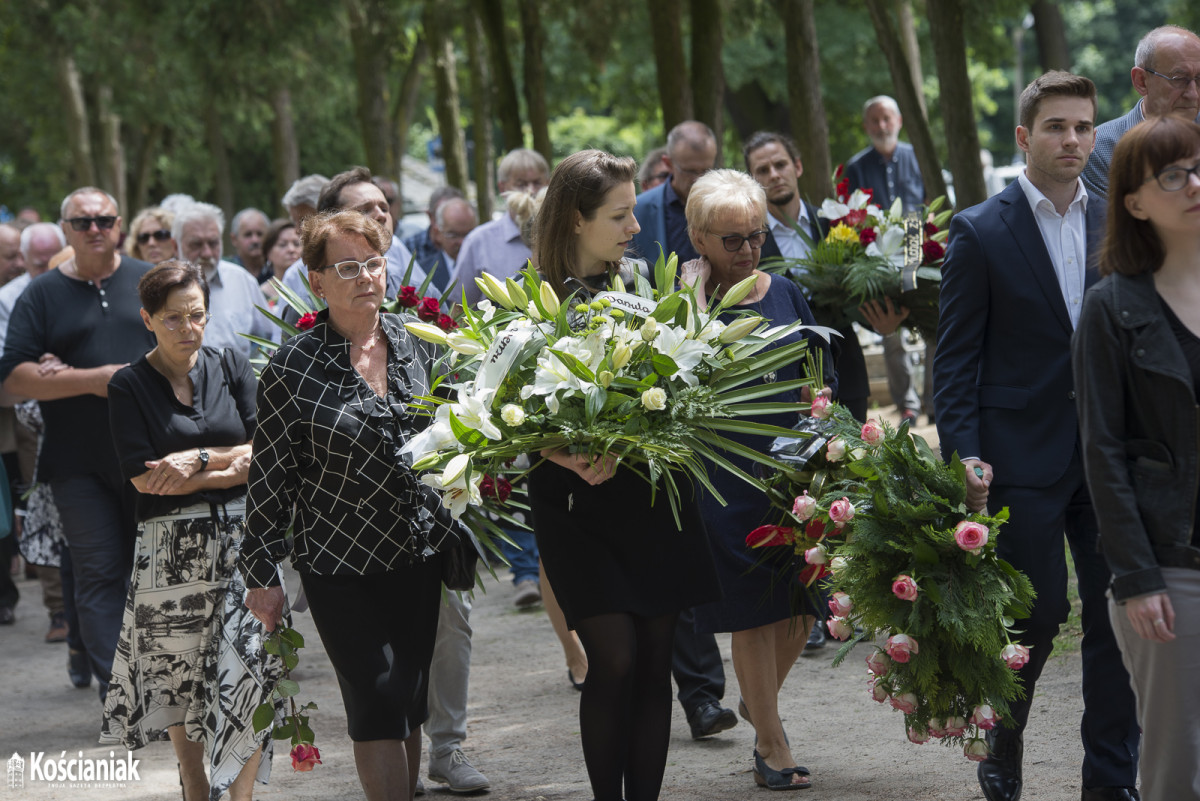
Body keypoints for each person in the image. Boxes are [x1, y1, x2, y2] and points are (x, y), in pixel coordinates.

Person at [933, 71, 1140, 801]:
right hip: (1020, 453)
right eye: (1057, 126)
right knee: (1039, 611)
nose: (1074, 140)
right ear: (1025, 136)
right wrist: (963, 452)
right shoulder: (980, 230)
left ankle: (1110, 779)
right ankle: (1004, 739)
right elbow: (954, 359)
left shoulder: (1117, 220)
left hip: (1111, 451)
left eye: (1084, 126)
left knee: (1119, 616)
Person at [528, 149, 722, 801]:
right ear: (577, 220)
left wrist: (695, 330)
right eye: (621, 214)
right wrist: (557, 451)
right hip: (576, 507)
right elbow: (498, 412)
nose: (636, 226)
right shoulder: (532, 303)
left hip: (651, 497)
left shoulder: (644, 287)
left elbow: (689, 383)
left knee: (653, 664)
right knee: (613, 658)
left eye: (635, 211)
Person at [241, 210, 453, 801]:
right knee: (377, 697)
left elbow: (456, 432)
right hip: (338, 561)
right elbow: (270, 478)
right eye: (347, 267)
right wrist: (261, 574)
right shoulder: (291, 368)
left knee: (409, 700)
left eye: (373, 262)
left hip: (417, 551)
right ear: (316, 281)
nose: (365, 276)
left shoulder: (419, 344)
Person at [100, 260, 281, 801]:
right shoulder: (127, 385)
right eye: (173, 318)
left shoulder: (231, 364)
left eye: (196, 315)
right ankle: (196, 787)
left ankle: (241, 797)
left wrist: (197, 459)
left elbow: (266, 454)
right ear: (147, 320)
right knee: (178, 688)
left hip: (245, 543)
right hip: (169, 557)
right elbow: (148, 482)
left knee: (250, 671)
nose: (187, 328)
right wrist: (228, 469)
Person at [682, 169, 831, 791]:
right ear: (699, 239)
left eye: (757, 236)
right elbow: (673, 379)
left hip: (789, 471)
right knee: (752, 614)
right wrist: (688, 304)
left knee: (802, 605)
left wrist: (821, 409)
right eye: (733, 240)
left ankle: (758, 700)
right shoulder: (682, 300)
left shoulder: (786, 292)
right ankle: (771, 743)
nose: (748, 251)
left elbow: (818, 373)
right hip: (722, 480)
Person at [1073, 115, 1200, 801]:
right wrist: (1137, 576)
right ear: (1135, 202)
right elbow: (1102, 453)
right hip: (1172, 572)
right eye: (1174, 174)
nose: (1195, 183)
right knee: (1177, 771)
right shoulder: (1110, 309)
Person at [0, 186, 156, 700]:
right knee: (99, 574)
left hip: (154, 457)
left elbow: (188, 349)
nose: (94, 229)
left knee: (153, 571)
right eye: (82, 222)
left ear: (120, 225)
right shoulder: (40, 294)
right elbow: (11, 382)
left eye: (104, 220)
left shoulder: (148, 283)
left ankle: (160, 688)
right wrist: (90, 380)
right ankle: (122, 695)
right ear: (64, 229)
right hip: (76, 464)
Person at [844, 95, 929, 426]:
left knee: (932, 326)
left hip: (918, 248)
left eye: (887, 119)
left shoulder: (917, 157)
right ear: (866, 126)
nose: (882, 126)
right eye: (875, 120)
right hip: (877, 255)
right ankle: (906, 405)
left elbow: (930, 204)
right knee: (890, 330)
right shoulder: (857, 166)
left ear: (899, 121)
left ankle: (933, 402)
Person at [279, 166, 420, 322]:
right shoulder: (306, 312)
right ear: (331, 220)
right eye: (365, 210)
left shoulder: (419, 294)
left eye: (384, 208)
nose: (381, 215)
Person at [1083, 25, 1200, 198]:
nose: (1193, 94)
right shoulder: (1101, 150)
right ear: (1141, 81)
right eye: (1179, 79)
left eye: (1199, 79)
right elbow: (1116, 223)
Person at [172, 202, 278, 361]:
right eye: (196, 244)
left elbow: (271, 334)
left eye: (213, 243)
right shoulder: (161, 286)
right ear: (175, 246)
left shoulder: (241, 280)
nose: (206, 253)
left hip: (234, 383)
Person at [449, 148, 549, 308]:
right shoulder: (478, 241)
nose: (531, 191)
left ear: (548, 183)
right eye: (521, 184)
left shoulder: (563, 238)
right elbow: (459, 306)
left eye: (537, 183)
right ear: (502, 188)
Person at [630, 121, 717, 265]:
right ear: (668, 163)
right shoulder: (639, 210)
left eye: (706, 170)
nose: (699, 179)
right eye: (690, 171)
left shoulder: (727, 205)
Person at [257, 219, 301, 305]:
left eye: (296, 244)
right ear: (268, 252)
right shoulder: (260, 295)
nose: (291, 250)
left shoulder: (314, 289)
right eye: (282, 244)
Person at [228, 208, 270, 276]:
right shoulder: (227, 271)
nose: (255, 240)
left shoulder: (277, 271)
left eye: (260, 234)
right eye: (248, 235)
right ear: (234, 239)